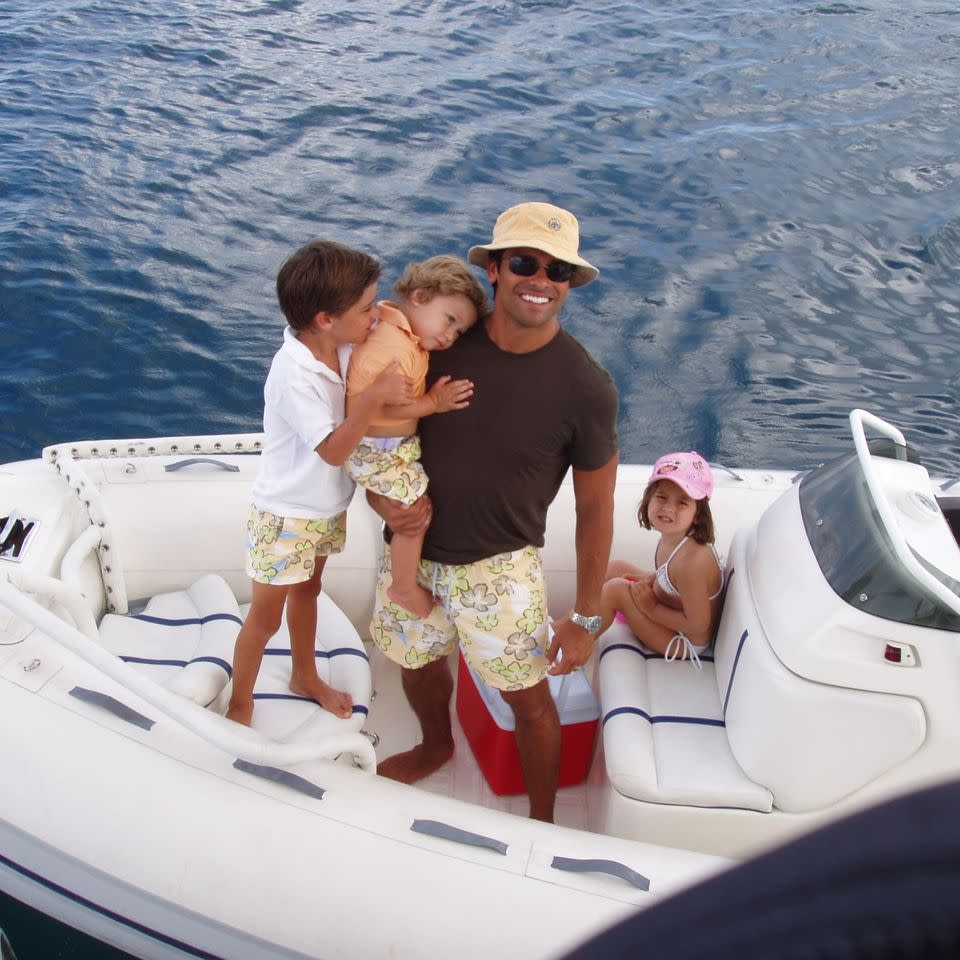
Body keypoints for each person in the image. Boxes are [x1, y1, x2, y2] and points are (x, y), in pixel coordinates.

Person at [367, 202, 620, 822]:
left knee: (530, 702)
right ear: (497, 271)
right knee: (417, 663)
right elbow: (382, 436)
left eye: (557, 270)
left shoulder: (586, 387)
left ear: (568, 284)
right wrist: (380, 500)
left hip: (500, 573)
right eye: (525, 263)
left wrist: (586, 617)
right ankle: (435, 744)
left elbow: (596, 507)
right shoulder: (440, 347)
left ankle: (542, 822)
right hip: (413, 553)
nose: (541, 280)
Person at [226, 239, 411, 727]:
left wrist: (390, 316)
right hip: (284, 513)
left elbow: (383, 321)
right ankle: (239, 701)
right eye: (367, 307)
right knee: (265, 619)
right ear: (326, 318)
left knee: (309, 592)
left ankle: (304, 675)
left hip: (326, 507)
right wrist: (372, 400)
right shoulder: (293, 372)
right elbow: (332, 448)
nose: (375, 315)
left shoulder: (341, 344)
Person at [344, 256, 488, 619]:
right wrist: (433, 403)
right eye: (450, 320)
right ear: (420, 296)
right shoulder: (394, 349)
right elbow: (379, 409)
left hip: (388, 448)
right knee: (414, 512)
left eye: (457, 333)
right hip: (378, 448)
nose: (448, 337)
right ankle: (403, 586)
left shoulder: (399, 334)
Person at [599, 452, 723, 670]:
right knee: (614, 569)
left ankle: (575, 640)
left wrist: (652, 607)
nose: (668, 507)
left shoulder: (693, 562)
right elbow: (670, 578)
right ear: (649, 499)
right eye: (661, 497)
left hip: (685, 642)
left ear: (697, 514)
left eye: (682, 502)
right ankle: (578, 623)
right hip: (671, 614)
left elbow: (697, 626)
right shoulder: (674, 539)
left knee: (616, 591)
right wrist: (650, 580)